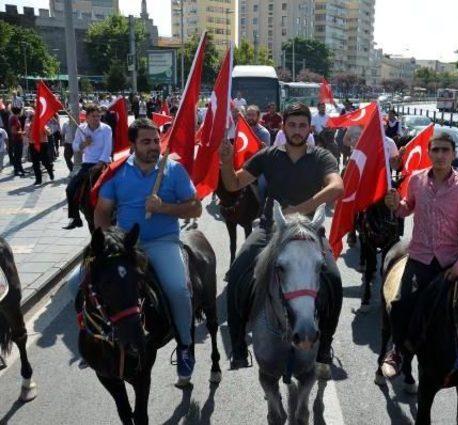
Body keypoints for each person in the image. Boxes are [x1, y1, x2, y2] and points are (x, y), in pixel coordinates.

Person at [219, 102, 344, 369]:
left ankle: (325, 345)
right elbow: (233, 183)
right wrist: (226, 162)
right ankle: (239, 346)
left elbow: (337, 186)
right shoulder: (268, 155)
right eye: (292, 125)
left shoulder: (321, 156)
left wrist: (299, 210)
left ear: (310, 128)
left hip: (309, 231)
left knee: (333, 278)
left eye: (302, 125)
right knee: (239, 271)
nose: (297, 130)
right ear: (283, 127)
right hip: (270, 229)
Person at [94, 118, 202, 382]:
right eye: (146, 141)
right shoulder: (117, 172)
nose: (154, 146)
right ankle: (99, 336)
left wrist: (164, 207)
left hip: (163, 242)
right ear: (133, 145)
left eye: (156, 140)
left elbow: (195, 208)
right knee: (82, 284)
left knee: (177, 288)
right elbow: (102, 212)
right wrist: (107, 242)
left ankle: (186, 345)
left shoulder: (174, 170)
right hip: (126, 248)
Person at [381, 132, 458, 377]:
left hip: (452, 261)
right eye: (435, 150)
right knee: (400, 304)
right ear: (428, 153)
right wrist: (395, 205)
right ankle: (397, 350)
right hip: (420, 258)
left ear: (453, 155)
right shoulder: (416, 180)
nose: (440, 155)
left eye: (445, 150)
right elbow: (406, 209)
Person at [63, 104, 112, 229]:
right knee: (70, 188)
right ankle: (75, 218)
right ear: (87, 117)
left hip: (103, 163)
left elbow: (107, 148)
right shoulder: (81, 129)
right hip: (87, 164)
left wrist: (101, 163)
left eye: (98, 116)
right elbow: (74, 147)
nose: (96, 118)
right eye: (93, 116)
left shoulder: (106, 129)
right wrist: (84, 144)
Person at [24, 108, 54, 185]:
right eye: (33, 119)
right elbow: (27, 135)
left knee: (45, 161)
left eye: (36, 119)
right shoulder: (28, 126)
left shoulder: (43, 124)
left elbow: (49, 133)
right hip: (33, 144)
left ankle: (50, 171)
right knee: (35, 163)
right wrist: (29, 131)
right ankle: (38, 179)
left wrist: (43, 127)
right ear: (31, 120)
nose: (35, 121)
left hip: (43, 144)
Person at [8, 106, 25, 177]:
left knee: (19, 155)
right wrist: (22, 132)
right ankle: (16, 170)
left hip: (18, 139)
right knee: (17, 156)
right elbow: (13, 131)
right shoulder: (14, 118)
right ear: (19, 111)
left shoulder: (15, 117)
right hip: (16, 140)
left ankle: (20, 169)